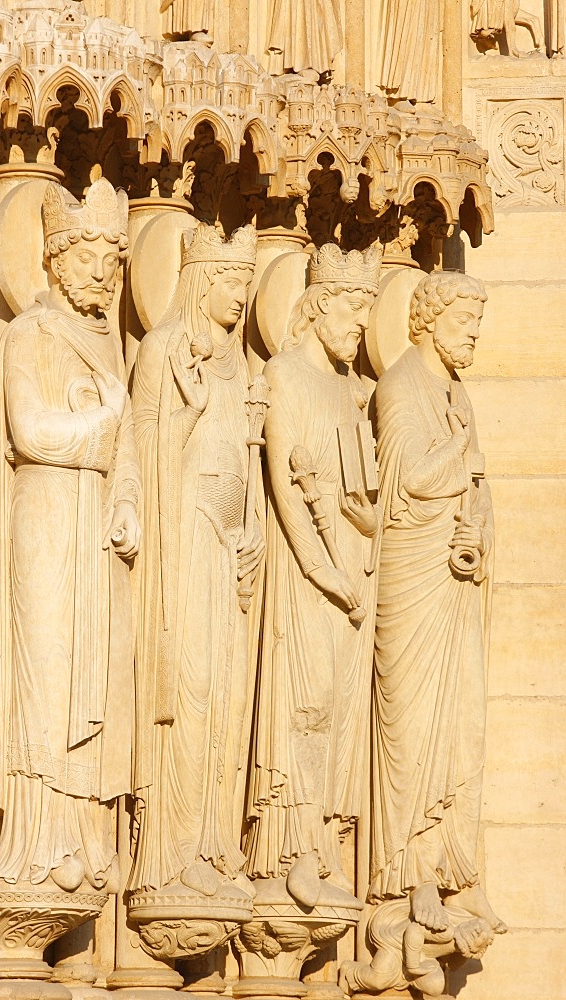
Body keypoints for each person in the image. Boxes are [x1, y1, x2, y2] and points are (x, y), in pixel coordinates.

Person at [0, 176, 141, 894]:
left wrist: (126, 499)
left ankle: (76, 835)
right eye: (87, 257)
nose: (102, 272)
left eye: (113, 259)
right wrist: (103, 420)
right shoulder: (32, 333)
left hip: (93, 521)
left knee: (86, 672)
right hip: (44, 518)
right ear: (56, 258)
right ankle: (31, 843)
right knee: (45, 671)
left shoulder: (106, 347)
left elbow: (126, 444)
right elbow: (32, 432)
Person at [129, 223, 264, 912]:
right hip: (179, 537)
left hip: (225, 540)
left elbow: (250, 466)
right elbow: (144, 450)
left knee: (224, 697)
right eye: (232, 281)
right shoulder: (162, 351)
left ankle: (211, 843)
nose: (241, 295)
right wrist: (188, 409)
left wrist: (253, 534)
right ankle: (170, 853)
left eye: (247, 282)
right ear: (202, 280)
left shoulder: (242, 368)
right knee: (187, 687)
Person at [244, 243, 381, 909]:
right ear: (320, 305)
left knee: (337, 713)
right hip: (310, 578)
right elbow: (286, 491)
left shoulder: (345, 388)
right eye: (355, 308)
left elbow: (357, 492)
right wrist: (327, 574)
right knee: (302, 703)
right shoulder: (285, 377)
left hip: (352, 571)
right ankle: (285, 847)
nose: (362, 324)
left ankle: (321, 843)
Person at [369, 271, 506, 936]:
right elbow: (407, 484)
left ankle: (451, 869)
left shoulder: (456, 391)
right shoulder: (400, 387)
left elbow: (469, 485)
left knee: (457, 724)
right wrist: (463, 456)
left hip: (451, 578)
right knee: (411, 724)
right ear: (426, 321)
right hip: (410, 579)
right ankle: (401, 874)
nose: (472, 334)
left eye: (476, 323)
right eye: (463, 322)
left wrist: (474, 524)